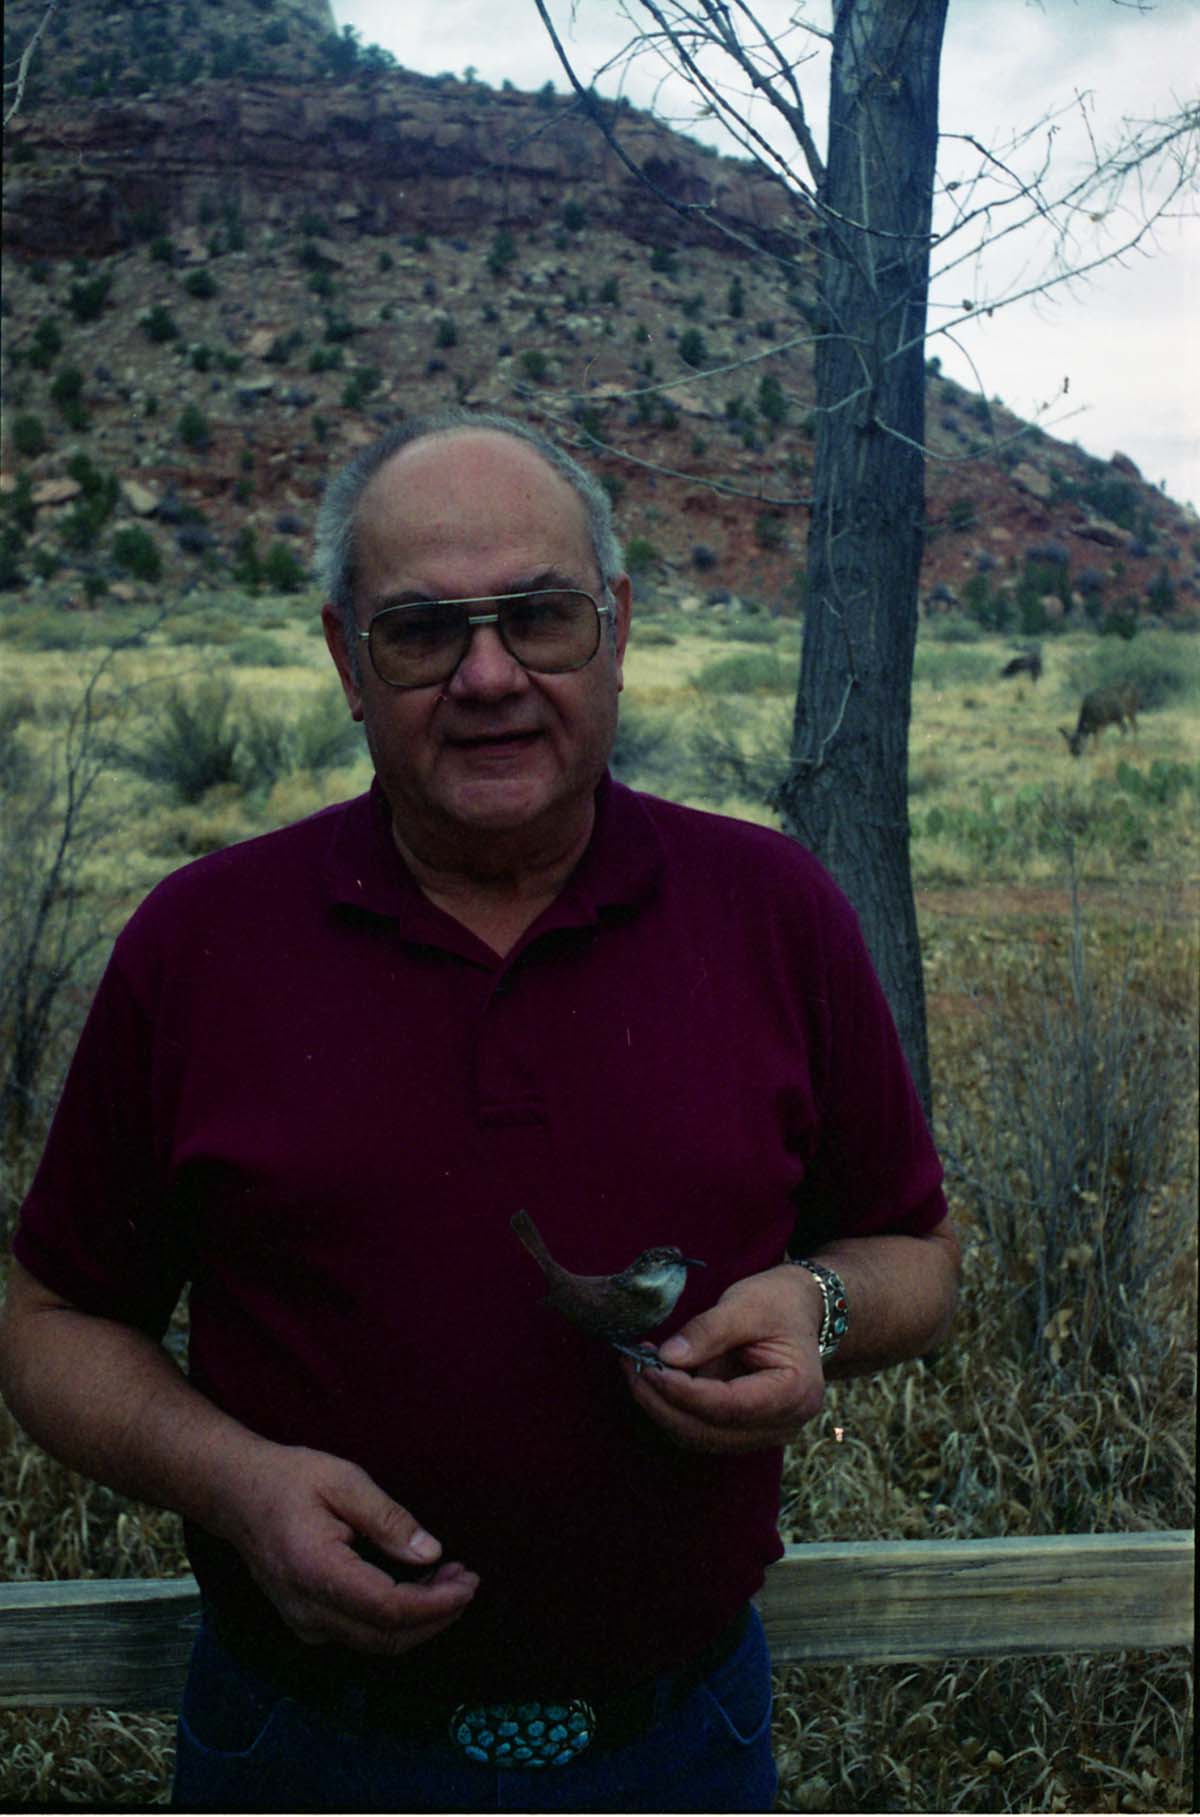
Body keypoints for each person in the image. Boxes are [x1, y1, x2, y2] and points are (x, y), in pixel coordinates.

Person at [0, 408, 960, 1813]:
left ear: (618, 625)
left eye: (540, 615)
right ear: (345, 657)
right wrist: (236, 1483)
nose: (490, 674)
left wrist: (817, 1308)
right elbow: (49, 1320)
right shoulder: (203, 943)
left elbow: (915, 1253)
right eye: (422, 630)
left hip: (681, 1748)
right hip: (302, 1752)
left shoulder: (774, 913)